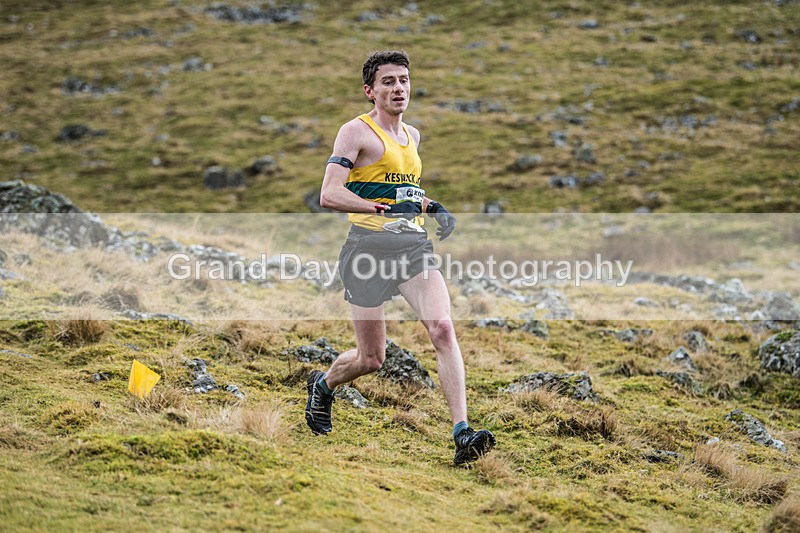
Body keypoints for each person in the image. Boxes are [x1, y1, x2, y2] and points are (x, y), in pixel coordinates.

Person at [305, 50, 495, 465]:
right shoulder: (355, 132)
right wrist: (371, 208)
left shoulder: (414, 137)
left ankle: (462, 433)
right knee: (371, 359)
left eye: (404, 80)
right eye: (388, 81)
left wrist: (433, 207)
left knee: (443, 328)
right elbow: (330, 193)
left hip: (412, 249)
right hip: (366, 252)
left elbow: (401, 192)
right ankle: (323, 384)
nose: (398, 88)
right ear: (370, 91)